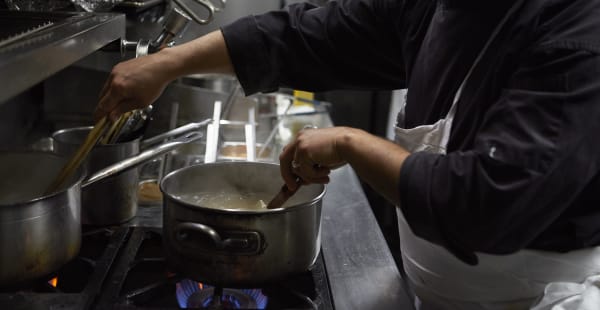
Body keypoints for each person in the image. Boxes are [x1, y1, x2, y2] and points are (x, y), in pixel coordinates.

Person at [95, 0, 600, 309]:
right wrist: (166, 65)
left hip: (539, 301)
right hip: (440, 293)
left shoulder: (578, 35)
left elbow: (487, 205)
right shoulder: (444, 7)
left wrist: (350, 143)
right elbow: (312, 34)